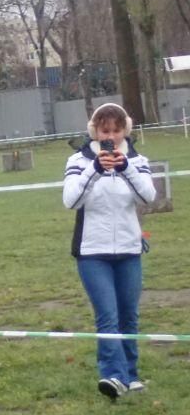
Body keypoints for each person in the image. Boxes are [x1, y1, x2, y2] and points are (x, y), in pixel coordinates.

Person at [63, 102, 156, 399]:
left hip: (129, 249)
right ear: (95, 132)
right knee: (107, 315)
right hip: (92, 252)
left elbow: (148, 197)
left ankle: (131, 374)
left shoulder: (138, 161)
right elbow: (71, 201)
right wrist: (95, 170)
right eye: (105, 131)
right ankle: (113, 376)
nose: (111, 137)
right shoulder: (78, 161)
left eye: (117, 130)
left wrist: (126, 168)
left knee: (129, 315)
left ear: (125, 131)